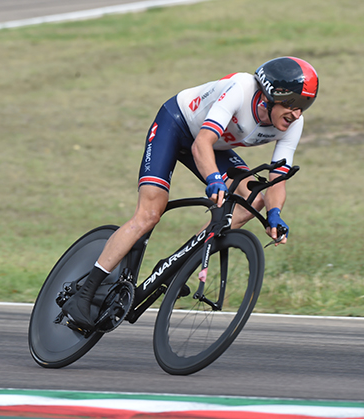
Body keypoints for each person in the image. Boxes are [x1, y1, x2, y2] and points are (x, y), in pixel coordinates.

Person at [62, 56, 319, 329]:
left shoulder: (293, 125)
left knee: (254, 199)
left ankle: (180, 263)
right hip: (176, 125)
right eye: (292, 104)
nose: (296, 114)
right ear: (269, 95)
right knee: (149, 214)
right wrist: (213, 180)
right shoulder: (240, 90)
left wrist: (275, 214)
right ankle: (85, 293)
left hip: (212, 147)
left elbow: (277, 178)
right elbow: (201, 144)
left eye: (304, 106)